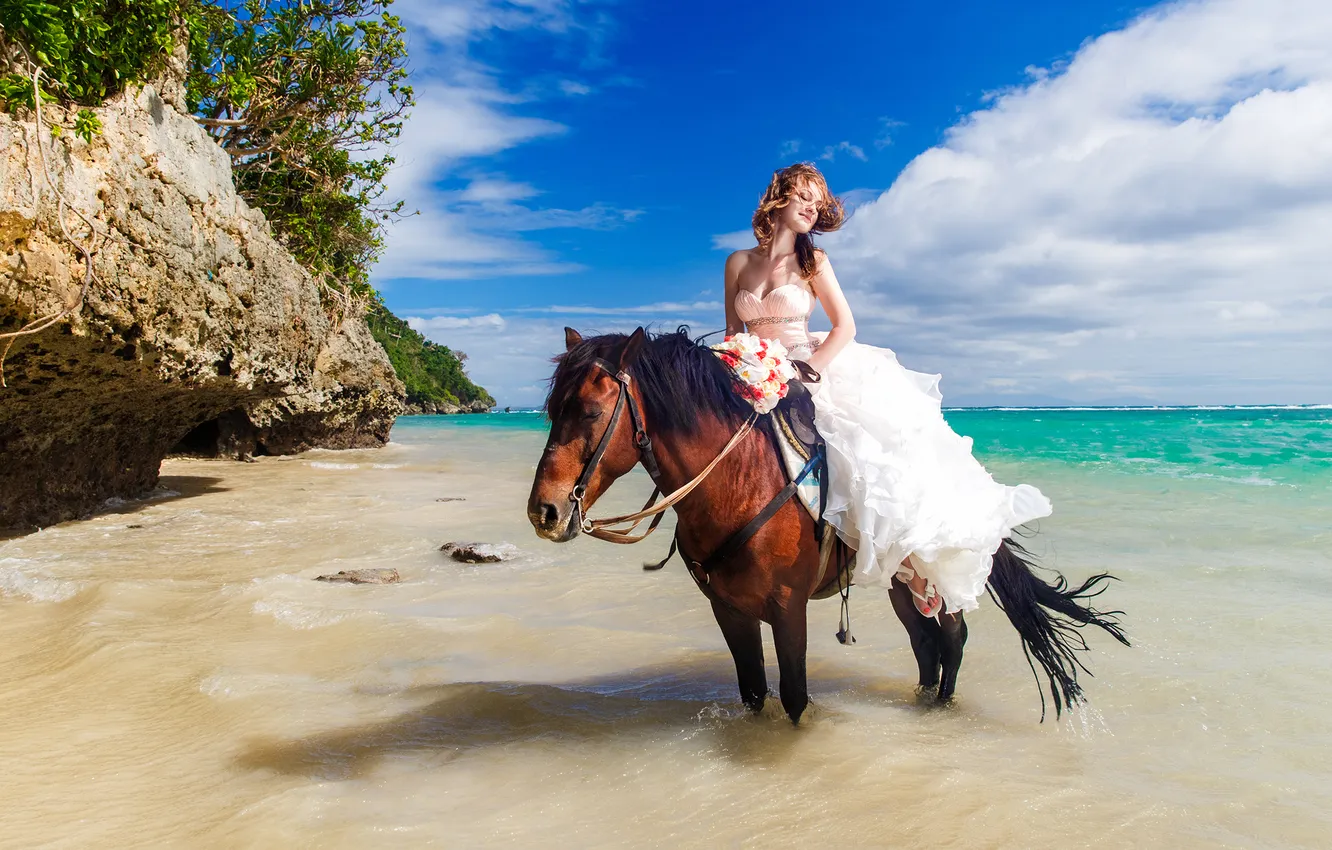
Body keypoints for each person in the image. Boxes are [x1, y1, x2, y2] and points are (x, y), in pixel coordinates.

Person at [724, 163, 1052, 618]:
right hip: (753, 372)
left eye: (817, 205)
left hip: (806, 366)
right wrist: (737, 370)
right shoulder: (738, 262)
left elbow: (845, 326)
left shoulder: (812, 263)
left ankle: (909, 566)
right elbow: (730, 332)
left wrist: (803, 372)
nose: (810, 209)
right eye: (803, 197)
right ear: (779, 197)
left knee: (860, 451)